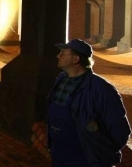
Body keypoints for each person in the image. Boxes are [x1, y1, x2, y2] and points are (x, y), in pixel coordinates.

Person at [48, 38, 131, 166]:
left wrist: (100, 153)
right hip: (59, 154)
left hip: (84, 158)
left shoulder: (102, 89)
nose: (58, 55)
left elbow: (120, 131)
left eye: (63, 53)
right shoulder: (60, 79)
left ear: (76, 59)